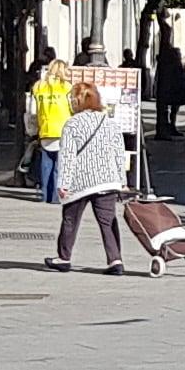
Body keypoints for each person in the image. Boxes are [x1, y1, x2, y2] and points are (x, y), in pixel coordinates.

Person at [48, 82, 134, 272]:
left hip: (81, 182)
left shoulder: (72, 124)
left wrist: (63, 183)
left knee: (70, 219)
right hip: (107, 179)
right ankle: (115, 260)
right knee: (108, 220)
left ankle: (64, 257)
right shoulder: (109, 122)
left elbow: (67, 156)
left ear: (78, 102)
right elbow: (119, 153)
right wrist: (122, 181)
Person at [28, 61, 72, 198]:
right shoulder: (67, 87)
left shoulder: (39, 87)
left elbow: (32, 110)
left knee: (46, 162)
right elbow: (72, 107)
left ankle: (45, 192)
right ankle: (55, 195)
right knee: (60, 163)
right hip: (63, 129)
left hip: (45, 128)